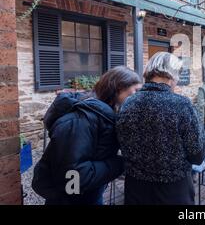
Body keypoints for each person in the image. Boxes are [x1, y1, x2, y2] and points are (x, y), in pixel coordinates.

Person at [32, 66, 142, 205]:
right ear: (119, 88)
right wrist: (120, 163)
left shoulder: (102, 114)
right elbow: (72, 177)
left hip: (89, 194)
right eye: (136, 91)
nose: (138, 98)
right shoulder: (80, 120)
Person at [117, 52, 205, 205]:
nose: (177, 80)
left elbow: (122, 143)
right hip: (173, 191)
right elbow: (197, 155)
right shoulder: (182, 105)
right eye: (177, 75)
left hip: (135, 189)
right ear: (171, 76)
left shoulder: (128, 103)